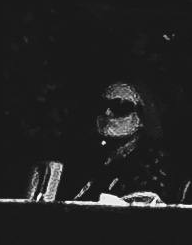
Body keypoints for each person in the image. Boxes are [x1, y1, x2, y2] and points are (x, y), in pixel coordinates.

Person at [68, 79, 172, 207]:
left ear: (140, 117)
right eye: (102, 105)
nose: (107, 113)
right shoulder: (89, 155)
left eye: (119, 106)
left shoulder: (152, 159)